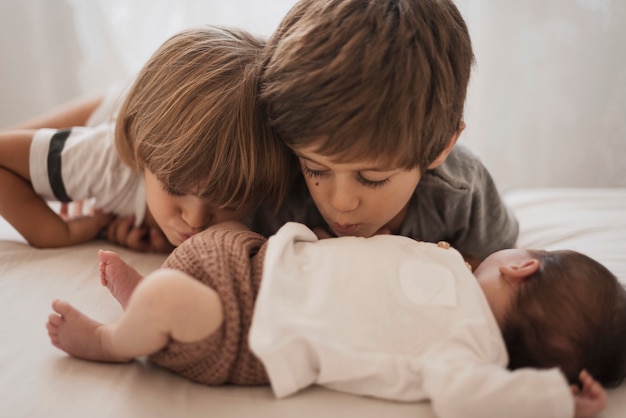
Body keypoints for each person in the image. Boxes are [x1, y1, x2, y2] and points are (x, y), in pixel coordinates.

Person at [47, 221, 626, 418]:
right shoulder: (454, 265)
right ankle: (147, 300)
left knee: (173, 302)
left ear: (523, 267)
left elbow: (471, 398)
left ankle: (113, 338)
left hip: (246, 330)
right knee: (196, 254)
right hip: (256, 261)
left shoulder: (471, 350)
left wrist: (550, 400)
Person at [242, 0, 517, 269]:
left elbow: (493, 265)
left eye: (373, 178)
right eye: (315, 169)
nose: (341, 202)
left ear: (442, 148)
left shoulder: (462, 187)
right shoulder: (279, 185)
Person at [0, 26, 295, 252]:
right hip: (118, 106)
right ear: (142, 159)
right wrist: (54, 233)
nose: (195, 220)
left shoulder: (266, 184)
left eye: (228, 200)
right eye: (174, 187)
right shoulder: (106, 163)